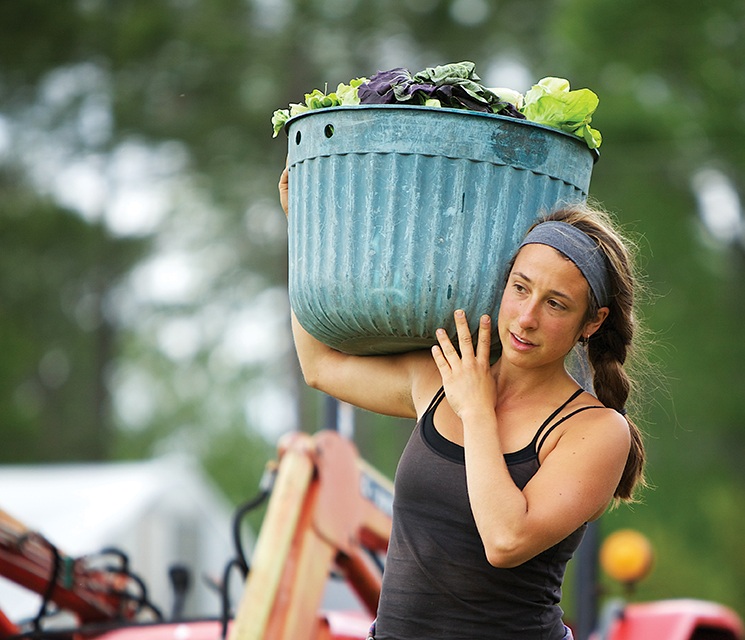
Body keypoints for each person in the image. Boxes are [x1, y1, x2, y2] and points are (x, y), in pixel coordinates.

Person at [278, 166, 646, 640]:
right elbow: (319, 366)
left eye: (556, 304)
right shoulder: (442, 376)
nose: (527, 317)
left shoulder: (595, 431)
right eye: (520, 287)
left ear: (591, 323)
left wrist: (475, 411)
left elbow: (505, 539)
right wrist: (302, 226)